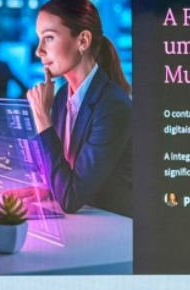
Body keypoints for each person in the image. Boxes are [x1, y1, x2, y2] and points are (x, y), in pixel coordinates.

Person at [26, 0, 132, 217]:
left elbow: (71, 198)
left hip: (114, 226)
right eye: (39, 38)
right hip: (84, 222)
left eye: (49, 38)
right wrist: (45, 190)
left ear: (82, 41)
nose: (38, 51)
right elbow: (64, 176)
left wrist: (42, 118)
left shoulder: (113, 106)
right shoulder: (62, 97)